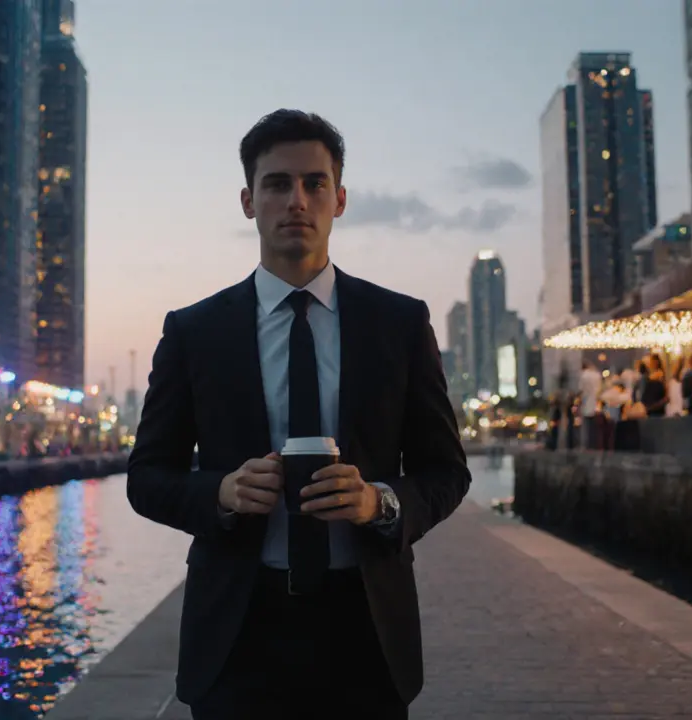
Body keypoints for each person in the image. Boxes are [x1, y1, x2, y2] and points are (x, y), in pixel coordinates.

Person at [126, 109, 471, 720]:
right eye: (277, 183)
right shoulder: (193, 332)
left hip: (366, 630)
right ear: (247, 201)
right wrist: (222, 493)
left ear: (340, 200)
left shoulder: (399, 323)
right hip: (237, 631)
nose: (297, 201)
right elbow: (147, 477)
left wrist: (379, 503)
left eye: (314, 183)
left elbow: (446, 471)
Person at [578, 360, 603, 449]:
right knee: (595, 427)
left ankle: (586, 445)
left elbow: (580, 390)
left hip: (586, 403)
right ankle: (595, 444)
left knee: (586, 427)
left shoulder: (583, 375)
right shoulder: (597, 375)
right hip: (596, 404)